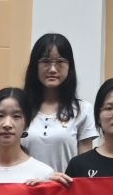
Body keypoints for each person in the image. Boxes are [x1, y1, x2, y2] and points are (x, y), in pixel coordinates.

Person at [0, 87, 73, 186]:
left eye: (16, 116)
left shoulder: (43, 174)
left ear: (26, 123)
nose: (7, 124)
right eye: (0, 115)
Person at [19, 31, 97, 170]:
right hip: (26, 183)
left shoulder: (83, 109)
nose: (53, 69)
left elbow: (85, 166)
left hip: (66, 183)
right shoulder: (19, 108)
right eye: (45, 62)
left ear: (69, 66)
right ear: (35, 66)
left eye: (60, 62)